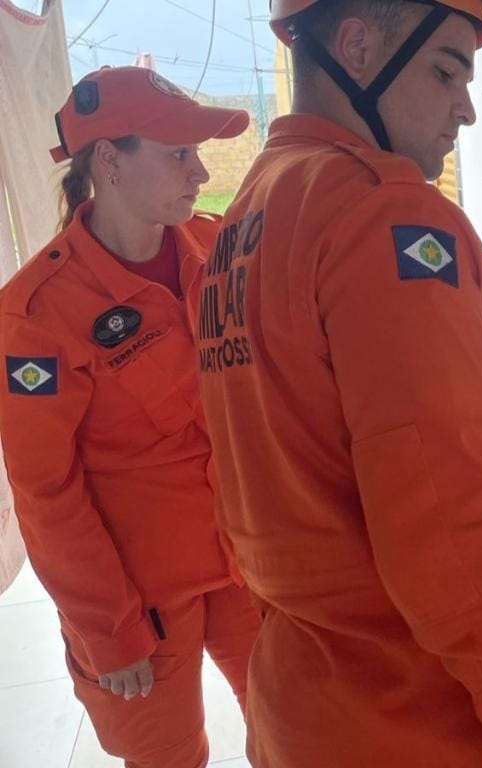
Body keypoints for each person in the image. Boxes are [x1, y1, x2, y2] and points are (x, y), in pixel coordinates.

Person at [195, 2, 482, 766]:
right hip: (413, 717)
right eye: (446, 71)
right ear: (356, 45)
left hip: (300, 702)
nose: (466, 108)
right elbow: (462, 545)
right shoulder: (381, 218)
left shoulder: (249, 213)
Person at [0, 67, 262, 768]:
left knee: (296, 728)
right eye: (178, 153)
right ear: (110, 161)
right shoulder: (38, 313)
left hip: (247, 562)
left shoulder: (219, 252)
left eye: (196, 151)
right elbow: (45, 490)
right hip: (138, 597)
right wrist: (107, 628)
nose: (200, 171)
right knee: (167, 758)